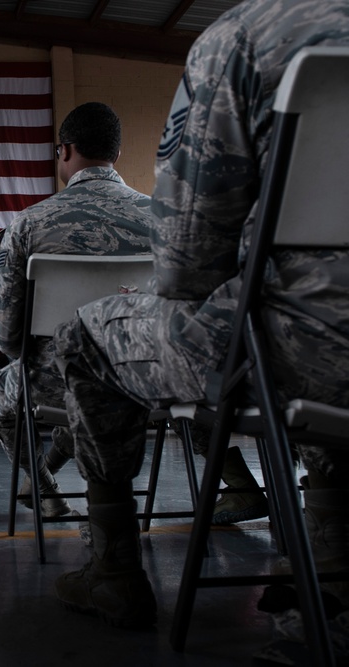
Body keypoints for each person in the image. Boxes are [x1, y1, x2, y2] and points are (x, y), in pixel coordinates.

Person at [52, 0, 349, 629]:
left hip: (309, 348)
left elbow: (189, 262)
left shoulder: (244, 36)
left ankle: (112, 573)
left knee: (83, 335)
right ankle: (330, 552)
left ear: (66, 150)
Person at [0, 102, 153, 519]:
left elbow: (7, 337)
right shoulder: (164, 218)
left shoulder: (29, 225)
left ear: (65, 150)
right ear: (116, 153)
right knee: (85, 400)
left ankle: (45, 491)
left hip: (55, 381)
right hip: (148, 380)